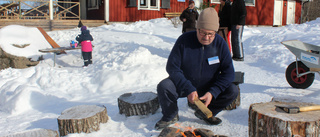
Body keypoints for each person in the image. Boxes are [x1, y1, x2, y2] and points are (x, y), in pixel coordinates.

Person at [155, 7, 239, 130]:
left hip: (208, 87)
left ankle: (206, 112)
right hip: (185, 85)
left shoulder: (220, 43)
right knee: (164, 86)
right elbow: (172, 67)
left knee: (232, 90)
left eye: (211, 34)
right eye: (203, 32)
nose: (206, 37)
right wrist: (188, 88)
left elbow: (229, 73)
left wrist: (213, 92)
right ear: (197, 28)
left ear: (215, 32)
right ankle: (171, 115)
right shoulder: (184, 40)